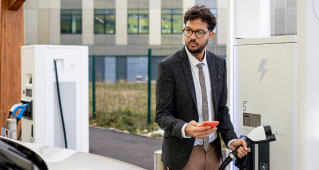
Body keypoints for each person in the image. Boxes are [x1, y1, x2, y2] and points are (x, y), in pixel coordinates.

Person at [156, 5, 251, 170]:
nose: (192, 37)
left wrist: (231, 140)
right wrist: (186, 128)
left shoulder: (218, 64)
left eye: (199, 32)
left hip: (214, 151)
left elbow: (221, 109)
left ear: (210, 35)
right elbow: (162, 115)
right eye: (188, 30)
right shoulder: (168, 66)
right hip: (183, 154)